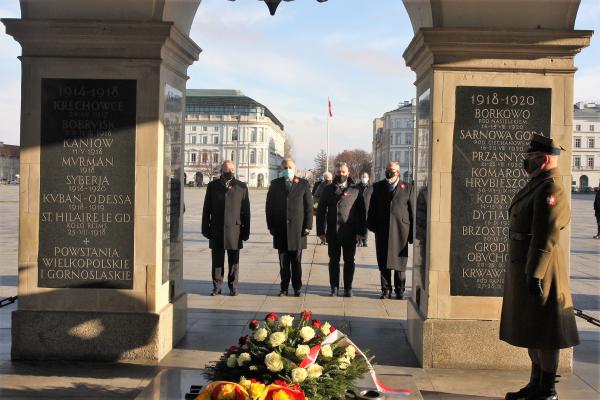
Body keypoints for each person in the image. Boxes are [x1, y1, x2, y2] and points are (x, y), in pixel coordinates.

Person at [500, 134, 579, 400]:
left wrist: (535, 274)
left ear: (544, 159)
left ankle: (547, 389)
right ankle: (535, 383)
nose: (526, 162)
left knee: (545, 331)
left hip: (541, 270)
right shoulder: (537, 184)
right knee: (530, 327)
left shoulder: (550, 188)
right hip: (525, 265)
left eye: (531, 158)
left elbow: (545, 235)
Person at [317, 162, 366, 297]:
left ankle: (348, 288)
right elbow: (320, 211)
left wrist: (361, 232)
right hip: (333, 231)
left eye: (343, 172)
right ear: (335, 173)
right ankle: (334, 287)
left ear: (348, 173)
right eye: (338, 172)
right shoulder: (328, 189)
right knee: (333, 260)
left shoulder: (355, 189)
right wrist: (320, 231)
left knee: (349, 260)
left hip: (350, 232)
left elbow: (362, 212)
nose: (341, 174)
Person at [202, 160, 250, 296]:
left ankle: (233, 286)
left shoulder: (241, 186)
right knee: (217, 260)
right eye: (227, 170)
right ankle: (217, 286)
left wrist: (246, 231)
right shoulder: (212, 186)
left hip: (235, 230)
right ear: (221, 171)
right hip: (216, 229)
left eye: (232, 170)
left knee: (234, 260)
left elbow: (246, 211)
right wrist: (205, 228)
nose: (230, 172)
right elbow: (207, 209)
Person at [266, 158, 313, 297]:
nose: (288, 170)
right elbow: (269, 207)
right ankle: (284, 287)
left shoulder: (303, 184)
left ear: (295, 168)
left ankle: (297, 287)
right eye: (285, 167)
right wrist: (271, 226)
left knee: (296, 261)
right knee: (283, 262)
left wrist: (308, 226)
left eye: (290, 167)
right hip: (280, 230)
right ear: (282, 169)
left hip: (298, 230)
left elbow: (309, 207)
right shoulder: (275, 184)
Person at [367, 161, 413, 300]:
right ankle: (385, 290)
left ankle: (400, 290)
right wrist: (372, 225)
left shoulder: (408, 188)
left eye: (391, 170)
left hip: (401, 230)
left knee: (399, 262)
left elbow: (412, 211)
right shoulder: (378, 186)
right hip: (383, 229)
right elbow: (372, 209)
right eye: (387, 169)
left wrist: (412, 234)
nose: (388, 172)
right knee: (384, 260)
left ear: (398, 173)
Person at [314, 172, 333, 245]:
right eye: (326, 178)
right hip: (322, 208)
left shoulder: (333, 185)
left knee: (330, 225)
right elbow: (316, 196)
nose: (327, 179)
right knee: (322, 225)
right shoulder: (320, 186)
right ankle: (322, 239)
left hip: (331, 209)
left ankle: (328, 238)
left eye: (328, 178)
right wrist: (316, 206)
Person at [356, 171, 373, 247]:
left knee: (365, 226)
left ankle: (365, 241)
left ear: (368, 178)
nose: (364, 178)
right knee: (358, 225)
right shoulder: (357, 187)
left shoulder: (371, 188)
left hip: (367, 209)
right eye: (363, 176)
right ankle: (358, 241)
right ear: (360, 178)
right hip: (358, 209)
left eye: (365, 177)